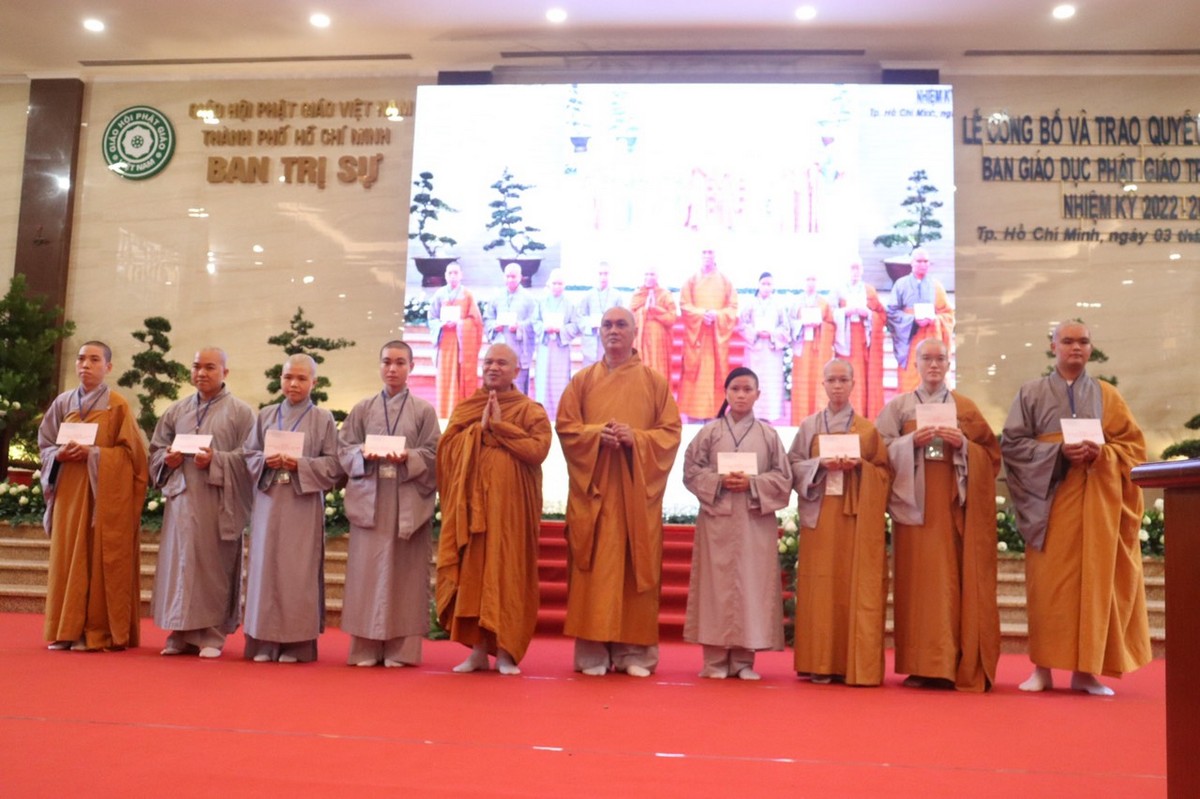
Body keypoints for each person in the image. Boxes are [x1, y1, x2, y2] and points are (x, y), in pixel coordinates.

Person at [1000, 321, 1151, 696]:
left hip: (1097, 506)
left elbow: (1133, 448)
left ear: (1091, 348)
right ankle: (1042, 669)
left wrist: (1104, 454)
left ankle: (1087, 672)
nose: (1076, 348)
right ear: (1053, 347)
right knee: (1048, 589)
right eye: (1067, 341)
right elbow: (1012, 445)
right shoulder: (1031, 392)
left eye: (1083, 342)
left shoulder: (1107, 395)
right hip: (1050, 505)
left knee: (1093, 587)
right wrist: (1057, 452)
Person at [556, 307, 682, 677]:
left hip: (635, 495)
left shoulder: (654, 382)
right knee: (593, 569)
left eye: (621, 324)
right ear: (599, 332)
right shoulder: (582, 381)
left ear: (634, 331)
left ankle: (634, 653)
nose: (614, 330)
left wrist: (635, 439)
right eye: (607, 325)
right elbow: (566, 428)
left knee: (634, 568)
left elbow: (670, 433)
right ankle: (592, 652)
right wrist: (596, 435)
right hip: (593, 492)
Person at [875, 338, 1001, 691]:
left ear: (948, 364)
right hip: (912, 511)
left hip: (951, 509)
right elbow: (878, 454)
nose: (933, 364)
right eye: (927, 358)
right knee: (916, 585)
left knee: (950, 583)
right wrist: (909, 443)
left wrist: (963, 445)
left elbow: (991, 456)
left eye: (940, 359)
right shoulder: (898, 407)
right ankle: (920, 664)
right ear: (915, 364)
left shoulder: (965, 407)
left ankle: (952, 661)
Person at [436, 343, 552, 675]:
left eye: (502, 363)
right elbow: (446, 450)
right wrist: (478, 430)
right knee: (474, 575)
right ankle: (477, 651)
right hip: (473, 514)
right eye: (488, 362)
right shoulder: (467, 408)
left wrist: (501, 428)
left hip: (512, 515)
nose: (493, 367)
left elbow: (538, 450)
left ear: (517, 371)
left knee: (507, 574)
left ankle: (506, 652)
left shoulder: (530, 410)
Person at [682, 367, 791, 680]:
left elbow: (784, 478)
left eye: (747, 390)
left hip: (754, 522)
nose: (741, 395)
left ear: (758, 394)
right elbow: (691, 471)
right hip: (717, 521)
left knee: (752, 587)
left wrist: (753, 483)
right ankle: (714, 661)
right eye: (736, 389)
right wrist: (718, 481)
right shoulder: (709, 433)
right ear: (726, 393)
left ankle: (744, 661)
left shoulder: (768, 435)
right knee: (714, 587)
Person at [39, 341, 148, 652]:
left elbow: (134, 458)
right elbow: (45, 446)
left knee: (99, 561)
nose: (85, 365)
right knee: (67, 559)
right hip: (69, 496)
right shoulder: (63, 403)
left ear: (108, 367)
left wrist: (95, 454)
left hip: (103, 499)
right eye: (81, 359)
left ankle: (96, 632)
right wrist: (58, 454)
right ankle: (65, 629)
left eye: (94, 360)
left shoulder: (117, 406)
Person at [788, 359, 892, 686]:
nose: (837, 386)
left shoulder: (867, 430)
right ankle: (819, 662)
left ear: (852, 384)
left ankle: (851, 663)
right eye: (831, 380)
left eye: (843, 380)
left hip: (854, 519)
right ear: (823, 384)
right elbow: (792, 466)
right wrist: (819, 464)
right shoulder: (809, 426)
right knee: (820, 588)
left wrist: (861, 466)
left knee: (851, 586)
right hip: (820, 517)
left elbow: (885, 473)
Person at [337, 341, 440, 667]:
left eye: (399, 362)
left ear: (411, 367)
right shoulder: (363, 408)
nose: (392, 369)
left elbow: (435, 454)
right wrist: (362, 454)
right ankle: (365, 647)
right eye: (386, 362)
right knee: (366, 575)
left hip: (406, 501)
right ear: (379, 365)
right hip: (371, 499)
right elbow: (343, 449)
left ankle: (401, 651)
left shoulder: (424, 411)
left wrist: (408, 456)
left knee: (404, 577)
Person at [149, 347, 254, 658]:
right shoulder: (176, 410)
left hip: (217, 501)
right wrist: (167, 459)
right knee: (180, 565)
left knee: (212, 567)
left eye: (210, 367)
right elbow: (156, 450)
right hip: (181, 501)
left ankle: (211, 634)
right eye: (196, 367)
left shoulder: (241, 412)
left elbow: (250, 456)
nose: (202, 373)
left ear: (225, 372)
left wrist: (216, 459)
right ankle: (179, 632)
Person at [243, 354, 342, 663]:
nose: (294, 384)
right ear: (280, 380)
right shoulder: (266, 415)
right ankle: (264, 644)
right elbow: (248, 454)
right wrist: (265, 461)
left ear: (314, 382)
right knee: (265, 569)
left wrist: (302, 465)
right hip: (269, 502)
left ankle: (296, 645)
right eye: (288, 377)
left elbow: (334, 464)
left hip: (302, 505)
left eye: (301, 378)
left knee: (297, 571)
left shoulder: (323, 418)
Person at [678, 248, 738, 422]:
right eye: (704, 252)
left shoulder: (725, 281)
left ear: (715, 256)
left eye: (710, 252)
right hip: (697, 338)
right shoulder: (691, 280)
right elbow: (684, 305)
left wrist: (717, 315)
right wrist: (701, 314)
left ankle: (714, 412)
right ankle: (693, 412)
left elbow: (732, 307)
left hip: (716, 340)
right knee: (694, 374)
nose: (707, 256)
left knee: (714, 374)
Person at [886, 248, 954, 394]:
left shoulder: (937, 286)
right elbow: (891, 312)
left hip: (931, 337)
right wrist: (913, 320)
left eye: (925, 261)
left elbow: (948, 314)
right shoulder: (901, 284)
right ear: (911, 263)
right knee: (911, 378)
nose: (922, 264)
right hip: (910, 339)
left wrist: (935, 319)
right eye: (919, 261)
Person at [833, 259, 888, 419]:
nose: (855, 272)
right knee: (845, 374)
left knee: (861, 376)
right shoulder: (838, 290)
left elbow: (881, 314)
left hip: (862, 338)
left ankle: (862, 412)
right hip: (844, 339)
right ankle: (843, 412)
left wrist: (868, 314)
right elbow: (830, 313)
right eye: (852, 268)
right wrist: (845, 312)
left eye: (858, 268)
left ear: (862, 270)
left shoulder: (869, 290)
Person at [428, 261, 484, 418]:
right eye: (450, 273)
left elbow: (475, 321)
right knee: (445, 379)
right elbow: (431, 318)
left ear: (461, 275)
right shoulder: (439, 295)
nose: (453, 276)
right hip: (445, 342)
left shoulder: (467, 295)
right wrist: (441, 324)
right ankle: (445, 414)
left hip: (462, 344)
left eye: (456, 273)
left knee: (461, 378)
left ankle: (462, 413)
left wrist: (460, 323)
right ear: (445, 275)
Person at [738, 272, 790, 423]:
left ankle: (770, 415)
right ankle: (752, 412)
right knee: (754, 380)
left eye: (769, 284)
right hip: (755, 349)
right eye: (764, 284)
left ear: (773, 287)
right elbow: (742, 325)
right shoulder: (750, 304)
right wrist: (755, 333)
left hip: (772, 351)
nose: (766, 287)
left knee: (770, 384)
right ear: (758, 285)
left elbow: (785, 328)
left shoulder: (779, 305)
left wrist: (773, 334)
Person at [483, 262, 537, 395]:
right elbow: (488, 318)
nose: (510, 279)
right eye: (507, 276)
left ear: (520, 277)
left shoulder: (529, 298)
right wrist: (494, 326)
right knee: (498, 386)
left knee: (517, 388)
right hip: (500, 347)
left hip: (518, 348)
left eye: (513, 276)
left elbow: (534, 321)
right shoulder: (496, 297)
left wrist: (520, 326)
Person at [790, 273, 835, 425]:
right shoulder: (796, 302)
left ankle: (818, 419)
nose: (810, 283)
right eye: (808, 279)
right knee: (802, 383)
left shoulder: (823, 303)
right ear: (803, 282)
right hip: (802, 348)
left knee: (817, 381)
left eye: (813, 279)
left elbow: (831, 324)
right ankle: (799, 419)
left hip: (818, 349)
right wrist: (801, 323)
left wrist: (821, 325)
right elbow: (790, 322)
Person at [533, 268, 579, 418]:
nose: (557, 286)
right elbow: (535, 321)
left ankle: (559, 415)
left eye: (560, 283)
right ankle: (542, 415)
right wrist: (544, 328)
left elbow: (575, 325)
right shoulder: (541, 302)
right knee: (543, 381)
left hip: (561, 348)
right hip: (545, 346)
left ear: (564, 285)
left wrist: (561, 330)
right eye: (554, 283)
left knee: (559, 382)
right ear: (549, 284)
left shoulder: (570, 304)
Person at [628, 266, 677, 380]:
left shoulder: (665, 295)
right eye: (646, 274)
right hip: (640, 340)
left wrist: (655, 310)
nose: (649, 277)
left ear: (657, 277)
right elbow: (630, 318)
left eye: (652, 274)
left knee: (657, 371)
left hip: (658, 343)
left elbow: (672, 318)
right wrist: (644, 311)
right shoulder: (638, 295)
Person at [574, 262, 625, 369]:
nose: (603, 277)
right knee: (590, 372)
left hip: (609, 340)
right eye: (600, 274)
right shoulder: (588, 295)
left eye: (606, 274)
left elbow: (622, 320)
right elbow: (580, 317)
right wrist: (590, 323)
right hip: (591, 340)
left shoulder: (616, 296)